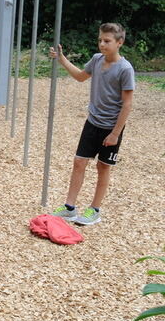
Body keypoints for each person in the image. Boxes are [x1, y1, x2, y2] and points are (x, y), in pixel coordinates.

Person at [49, 22, 135, 226]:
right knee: (79, 162)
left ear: (119, 43)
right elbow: (80, 77)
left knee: (103, 167)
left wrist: (115, 133)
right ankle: (69, 208)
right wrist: (61, 59)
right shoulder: (96, 60)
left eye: (107, 41)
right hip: (92, 122)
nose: (102, 44)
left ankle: (94, 210)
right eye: (100, 40)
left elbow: (127, 104)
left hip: (111, 127)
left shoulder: (125, 69)